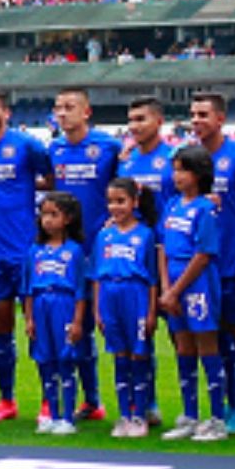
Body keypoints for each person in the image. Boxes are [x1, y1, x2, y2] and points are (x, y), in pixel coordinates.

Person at [0, 88, 53, 423]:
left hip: (26, 251)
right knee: (0, 327)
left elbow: (52, 180)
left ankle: (48, 400)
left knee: (38, 327)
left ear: (6, 113)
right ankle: (7, 400)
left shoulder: (27, 146)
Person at [50, 87, 125, 422]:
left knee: (113, 326)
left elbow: (124, 190)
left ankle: (138, 403)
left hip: (103, 249)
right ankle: (91, 401)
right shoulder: (54, 148)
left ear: (86, 112)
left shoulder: (109, 147)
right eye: (58, 107)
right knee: (74, 327)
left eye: (69, 107)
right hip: (68, 253)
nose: (62, 113)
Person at [192, 90, 235, 433]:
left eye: (204, 114)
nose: (197, 121)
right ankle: (217, 409)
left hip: (233, 266)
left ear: (221, 119)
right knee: (212, 340)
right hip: (202, 270)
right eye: (193, 114)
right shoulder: (188, 160)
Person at [159, 146, 229, 442]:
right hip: (173, 283)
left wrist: (175, 290)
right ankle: (190, 414)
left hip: (197, 283)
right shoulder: (173, 205)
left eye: (182, 170)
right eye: (174, 169)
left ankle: (216, 419)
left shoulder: (205, 209)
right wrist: (165, 290)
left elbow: (203, 255)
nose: (176, 176)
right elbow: (162, 247)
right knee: (183, 349)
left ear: (199, 174)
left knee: (207, 346)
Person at [94, 178, 158, 438]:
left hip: (136, 295)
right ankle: (123, 415)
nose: (115, 207)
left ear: (135, 202)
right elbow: (97, 275)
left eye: (121, 201)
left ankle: (140, 415)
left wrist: (151, 311)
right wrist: (98, 310)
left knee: (139, 356)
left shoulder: (145, 234)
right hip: (110, 295)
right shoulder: (104, 234)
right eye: (111, 201)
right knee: (119, 356)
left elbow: (152, 278)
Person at [27, 192, 89, 436]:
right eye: (44, 214)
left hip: (63, 306)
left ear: (68, 219)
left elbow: (81, 291)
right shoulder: (35, 251)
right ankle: (51, 413)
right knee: (45, 361)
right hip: (41, 305)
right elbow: (29, 288)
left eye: (54, 214)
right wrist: (30, 318)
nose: (48, 220)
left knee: (65, 361)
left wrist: (76, 322)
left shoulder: (74, 252)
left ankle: (67, 416)